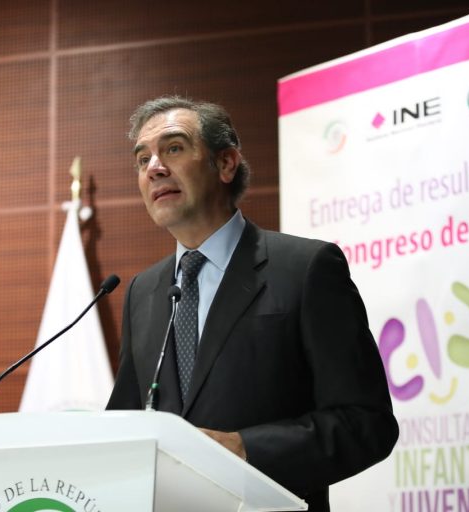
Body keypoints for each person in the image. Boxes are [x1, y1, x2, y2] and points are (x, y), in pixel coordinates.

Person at [106, 96, 398, 511]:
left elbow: (366, 423)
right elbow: (127, 422)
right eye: (142, 159)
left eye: (173, 148)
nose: (154, 168)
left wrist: (246, 450)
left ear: (225, 164)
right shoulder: (142, 292)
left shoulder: (305, 269)